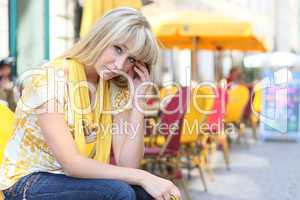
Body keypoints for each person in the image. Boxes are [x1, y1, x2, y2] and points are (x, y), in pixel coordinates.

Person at [0, 8, 181, 200]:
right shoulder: (52, 80)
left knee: (144, 194)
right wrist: (145, 176)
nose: (119, 65)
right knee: (120, 193)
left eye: (131, 59)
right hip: (27, 181)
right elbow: (72, 164)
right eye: (118, 49)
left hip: (73, 180)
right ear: (101, 37)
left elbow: (128, 166)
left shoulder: (113, 89)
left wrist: (138, 103)